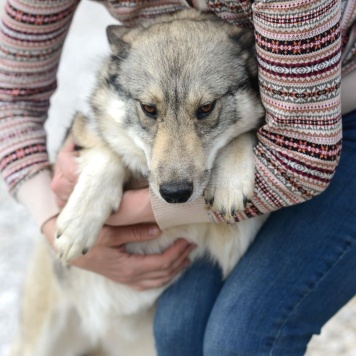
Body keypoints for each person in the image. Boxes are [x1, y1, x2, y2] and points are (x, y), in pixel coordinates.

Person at [0, 0, 355, 354]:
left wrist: (132, 213)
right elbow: (10, 98)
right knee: (177, 327)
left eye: (205, 110)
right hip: (258, 111)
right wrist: (53, 223)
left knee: (241, 336)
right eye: (148, 110)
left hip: (332, 116)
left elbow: (303, 154)